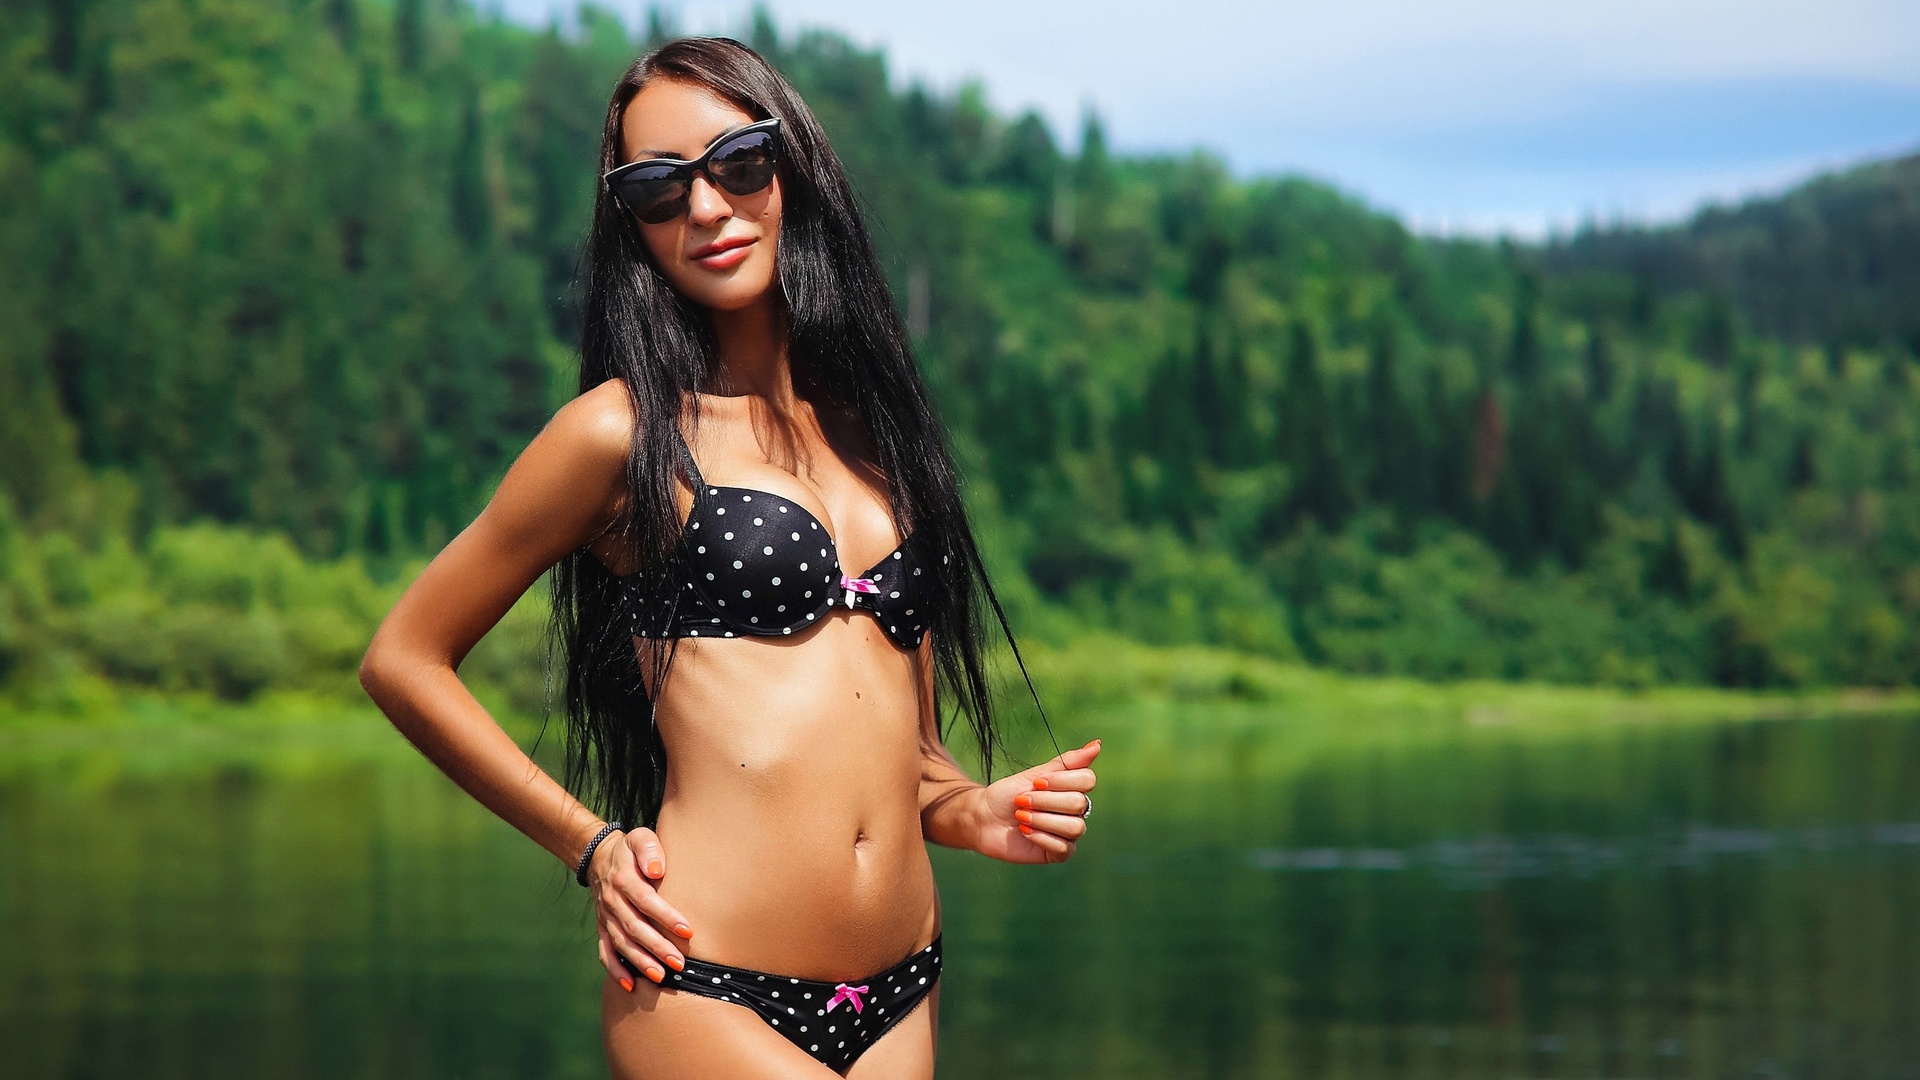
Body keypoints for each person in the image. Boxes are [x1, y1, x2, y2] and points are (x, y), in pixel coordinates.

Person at [358, 36, 1100, 1079]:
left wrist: (972, 810)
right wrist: (593, 844)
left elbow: (909, 750)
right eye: (659, 189)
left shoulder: (878, 438)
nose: (705, 208)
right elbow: (403, 659)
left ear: (792, 166)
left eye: (737, 163)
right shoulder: (617, 436)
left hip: (900, 990)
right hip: (707, 986)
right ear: (633, 224)